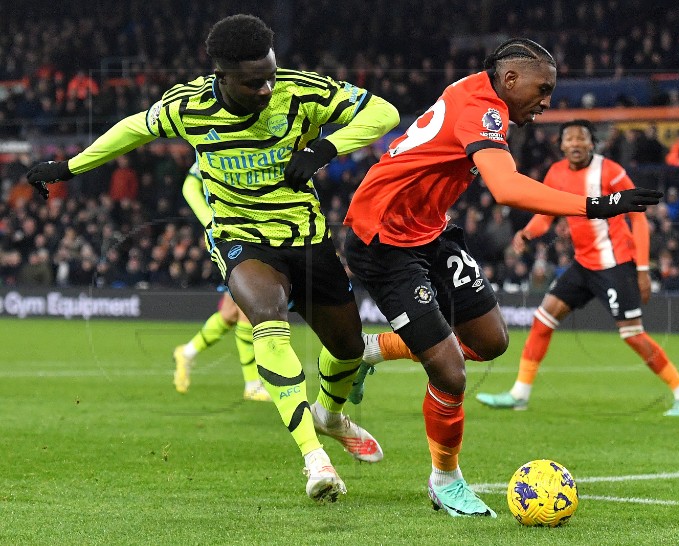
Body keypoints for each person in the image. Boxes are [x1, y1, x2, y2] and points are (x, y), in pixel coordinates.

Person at [27, 14, 400, 503]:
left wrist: (326, 147)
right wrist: (70, 167)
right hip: (240, 236)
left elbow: (385, 114)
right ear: (221, 77)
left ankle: (330, 415)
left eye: (270, 74)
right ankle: (315, 458)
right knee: (266, 318)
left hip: (306, 237)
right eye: (253, 82)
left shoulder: (302, 91)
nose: (267, 88)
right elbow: (133, 129)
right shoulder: (189, 105)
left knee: (348, 347)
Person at [343, 40, 661, 518]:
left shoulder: (479, 94)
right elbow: (507, 188)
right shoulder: (482, 107)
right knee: (450, 371)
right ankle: (445, 480)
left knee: (491, 340)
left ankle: (373, 350)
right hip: (383, 240)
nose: (548, 101)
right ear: (510, 80)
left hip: (428, 231)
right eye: (543, 88)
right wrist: (599, 205)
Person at [475, 119, 679, 417]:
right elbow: (547, 213)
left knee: (632, 334)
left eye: (581, 138)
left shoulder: (611, 172)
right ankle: (520, 393)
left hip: (614, 264)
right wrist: (528, 233)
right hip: (583, 263)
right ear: (561, 145)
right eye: (569, 139)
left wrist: (643, 269)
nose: (575, 144)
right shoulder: (555, 173)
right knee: (543, 320)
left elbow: (639, 219)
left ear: (592, 143)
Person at [172, 162, 270, 402]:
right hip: (232, 236)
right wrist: (209, 221)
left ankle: (187, 352)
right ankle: (252, 384)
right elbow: (189, 185)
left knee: (229, 314)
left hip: (251, 232)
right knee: (248, 307)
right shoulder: (217, 144)